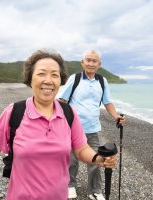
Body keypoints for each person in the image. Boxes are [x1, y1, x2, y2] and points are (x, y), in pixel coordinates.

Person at [0, 49, 117, 200]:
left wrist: (98, 159)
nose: (48, 80)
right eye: (41, 73)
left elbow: (81, 149)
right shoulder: (14, 113)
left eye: (55, 75)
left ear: (60, 81)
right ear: (30, 78)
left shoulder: (68, 113)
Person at [57, 50, 125, 200]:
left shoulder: (102, 81)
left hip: (93, 128)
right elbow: (61, 100)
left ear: (99, 64)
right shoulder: (74, 79)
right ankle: (70, 186)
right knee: (72, 160)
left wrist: (116, 117)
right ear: (82, 62)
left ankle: (94, 190)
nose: (91, 63)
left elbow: (107, 102)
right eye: (88, 60)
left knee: (96, 159)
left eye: (94, 61)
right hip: (73, 129)